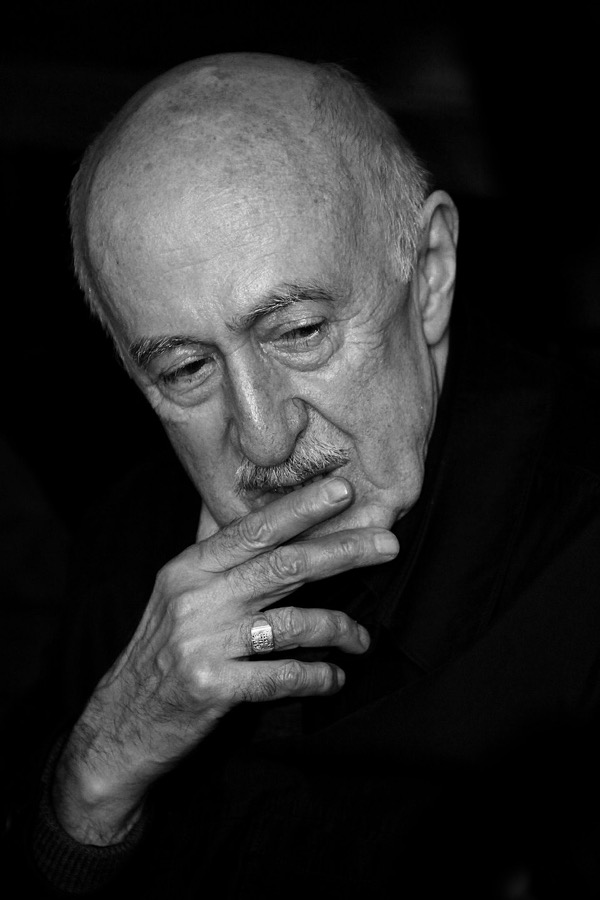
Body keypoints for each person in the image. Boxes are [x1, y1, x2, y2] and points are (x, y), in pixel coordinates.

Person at [7, 52, 600, 898]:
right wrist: (98, 772)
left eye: (299, 332)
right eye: (186, 369)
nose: (262, 433)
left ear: (429, 269)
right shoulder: (127, 540)